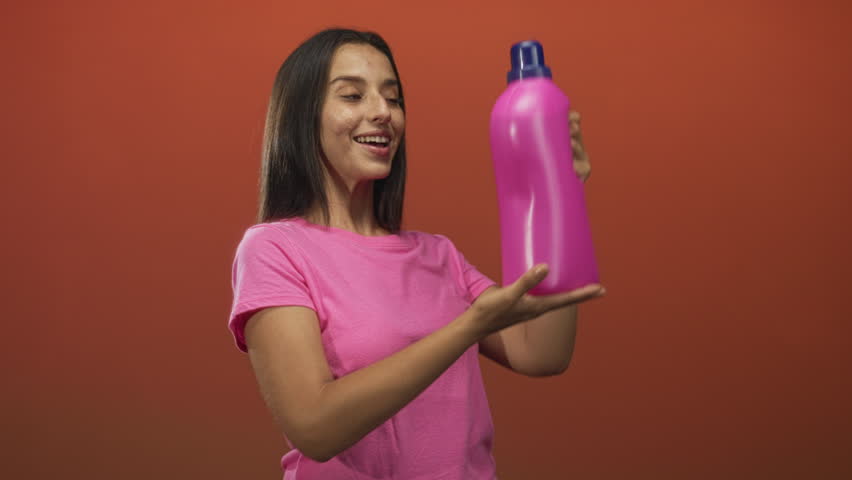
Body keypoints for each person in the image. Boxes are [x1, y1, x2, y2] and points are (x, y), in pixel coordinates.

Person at [228, 28, 605, 479]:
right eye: (352, 95)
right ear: (300, 117)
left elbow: (543, 354)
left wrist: (561, 192)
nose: (382, 112)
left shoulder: (437, 255)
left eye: (393, 98)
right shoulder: (275, 249)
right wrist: (469, 327)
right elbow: (315, 427)